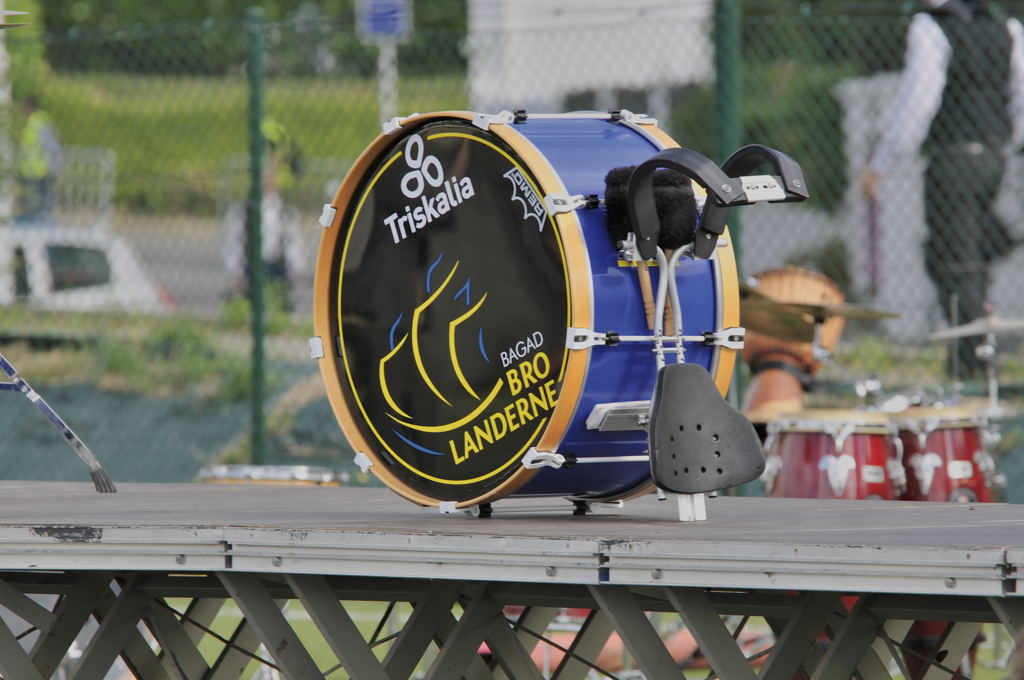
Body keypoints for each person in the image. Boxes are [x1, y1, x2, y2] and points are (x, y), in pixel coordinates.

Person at [860, 0, 1024, 377]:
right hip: (994, 159)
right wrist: (1004, 142)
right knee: (973, 254)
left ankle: (973, 360)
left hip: (952, 158)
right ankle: (976, 342)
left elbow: (919, 101)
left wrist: (882, 163)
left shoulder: (930, 28)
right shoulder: (1006, 27)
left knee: (950, 258)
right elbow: (1019, 98)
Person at [222, 117, 306, 311]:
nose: (267, 178)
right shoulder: (242, 210)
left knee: (281, 305)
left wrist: (296, 267)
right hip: (250, 269)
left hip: (277, 269)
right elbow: (233, 243)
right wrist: (235, 272)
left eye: (271, 173)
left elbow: (293, 241)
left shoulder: (285, 211)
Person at [16, 95, 64, 225]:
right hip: (29, 170)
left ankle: (41, 222)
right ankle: (33, 220)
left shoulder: (39, 123)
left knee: (39, 201)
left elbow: (52, 146)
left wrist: (55, 165)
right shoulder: (31, 123)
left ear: (28, 108)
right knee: (29, 201)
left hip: (40, 170)